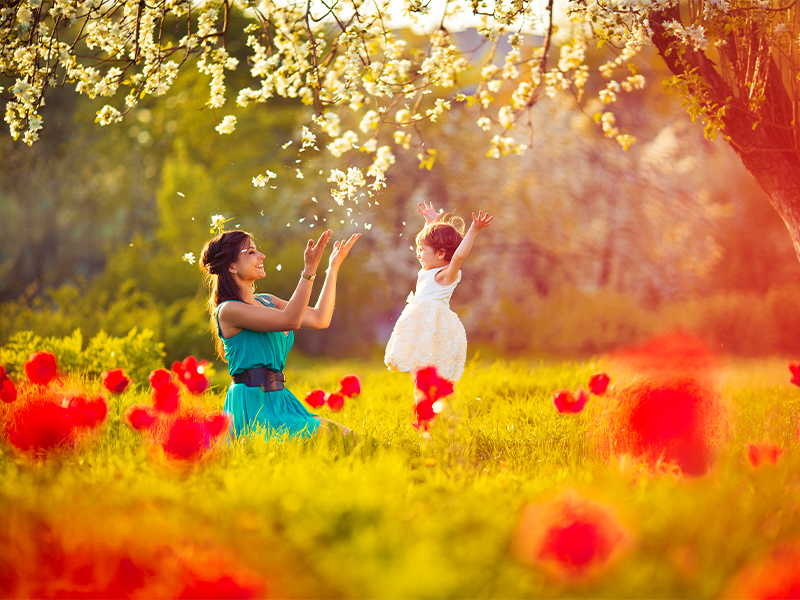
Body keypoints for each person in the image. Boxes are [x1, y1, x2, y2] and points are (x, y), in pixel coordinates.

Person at [200, 228, 360, 440]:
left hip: (281, 400)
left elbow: (320, 319)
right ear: (232, 266)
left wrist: (332, 268)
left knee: (352, 438)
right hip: (254, 407)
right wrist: (309, 270)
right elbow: (290, 320)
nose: (261, 256)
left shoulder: (268, 301)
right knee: (331, 440)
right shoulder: (229, 310)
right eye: (250, 252)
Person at [384, 201, 492, 383]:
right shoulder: (428, 270)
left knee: (428, 367)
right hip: (419, 322)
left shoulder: (446, 275)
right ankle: (422, 405)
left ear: (441, 254)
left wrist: (474, 229)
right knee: (419, 367)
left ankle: (429, 402)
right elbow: (428, 244)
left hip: (433, 324)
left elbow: (458, 256)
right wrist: (431, 222)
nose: (418, 254)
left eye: (422, 251)